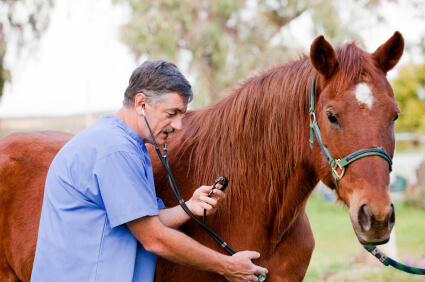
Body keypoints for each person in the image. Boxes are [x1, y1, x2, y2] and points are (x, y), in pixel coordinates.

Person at [31, 60, 268, 282]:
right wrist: (227, 266)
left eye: (182, 115)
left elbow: (140, 217)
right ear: (141, 104)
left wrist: (190, 207)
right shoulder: (116, 150)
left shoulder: (124, 143)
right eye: (171, 114)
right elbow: (154, 238)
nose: (178, 126)